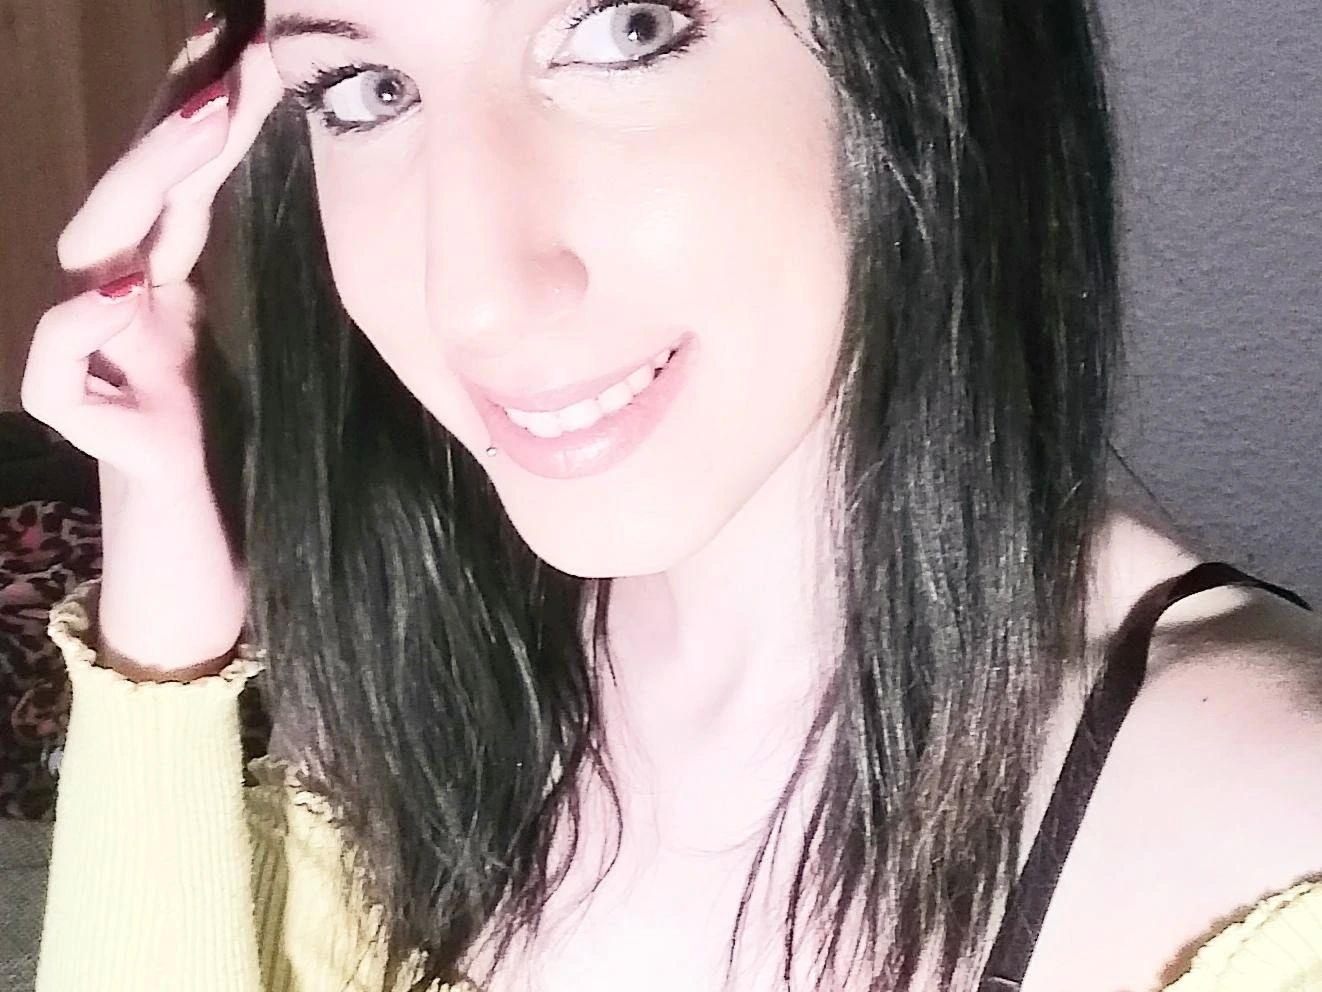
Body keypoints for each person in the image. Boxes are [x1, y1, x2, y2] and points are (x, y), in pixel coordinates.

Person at [20, 0, 1322, 989]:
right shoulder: (418, 714)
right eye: (364, 89)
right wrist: (159, 600)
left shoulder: (1270, 845)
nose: (472, 292)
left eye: (625, 30)